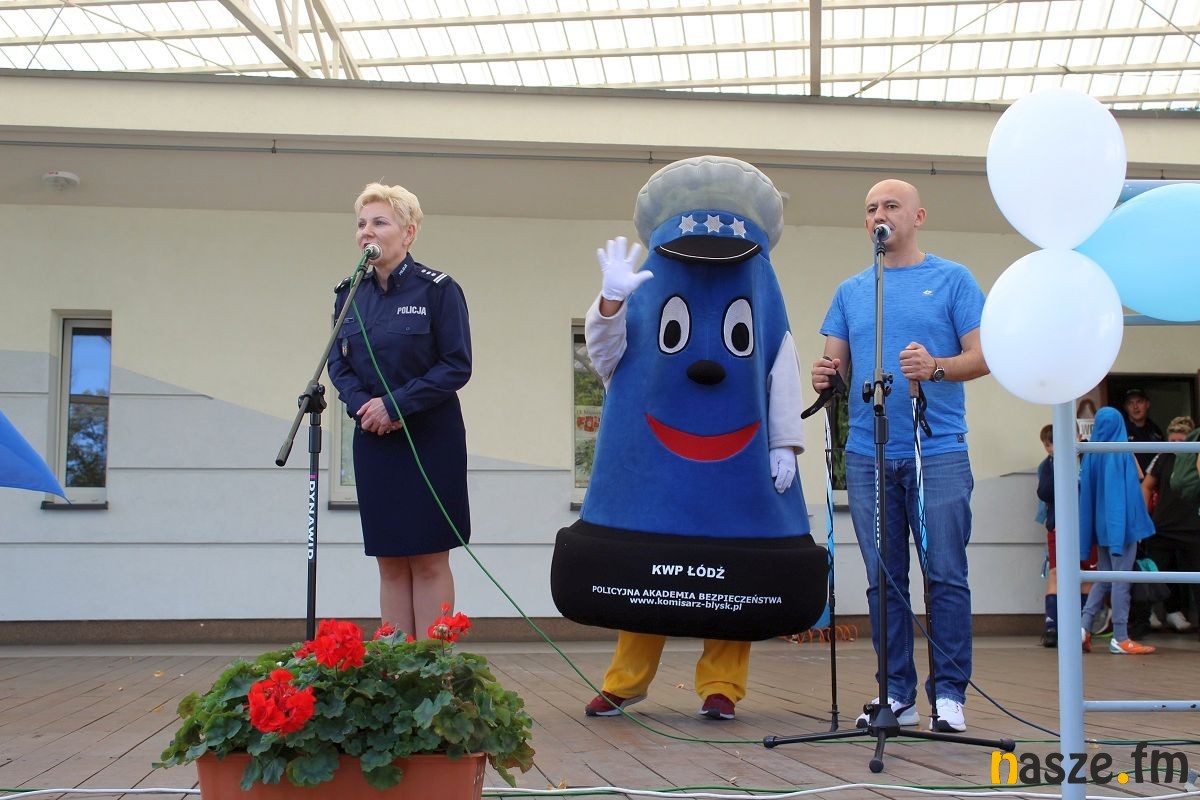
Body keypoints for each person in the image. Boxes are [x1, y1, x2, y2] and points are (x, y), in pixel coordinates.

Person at [571, 155, 816, 722]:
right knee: (646, 559)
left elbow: (778, 363)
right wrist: (610, 303)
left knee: (737, 561)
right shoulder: (647, 291)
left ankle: (722, 686)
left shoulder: (759, 290)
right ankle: (625, 681)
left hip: (737, 461)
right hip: (655, 461)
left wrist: (784, 442)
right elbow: (606, 361)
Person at [811, 179, 988, 733]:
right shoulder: (851, 290)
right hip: (868, 452)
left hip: (937, 449)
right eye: (870, 209)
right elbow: (835, 366)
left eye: (890, 206)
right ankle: (895, 693)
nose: (878, 215)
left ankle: (949, 695)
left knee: (945, 573)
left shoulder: (954, 279)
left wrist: (935, 368)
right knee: (882, 578)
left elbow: (984, 356)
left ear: (918, 216)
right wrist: (825, 376)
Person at [327, 182, 472, 639]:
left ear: (408, 233)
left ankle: (432, 667)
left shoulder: (438, 291)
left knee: (428, 558)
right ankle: (396, 667)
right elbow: (337, 364)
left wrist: (395, 405)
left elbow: (456, 365)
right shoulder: (348, 294)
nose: (366, 231)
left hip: (429, 439)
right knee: (390, 561)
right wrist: (363, 407)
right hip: (375, 441)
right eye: (361, 224)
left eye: (379, 222)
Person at [1079, 407, 1157, 655]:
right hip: (1120, 526)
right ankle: (1121, 637)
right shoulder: (1119, 452)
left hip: (1102, 526)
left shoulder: (1092, 452)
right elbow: (1126, 491)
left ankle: (1083, 628)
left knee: (1105, 577)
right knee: (1121, 578)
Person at [1036, 423, 1098, 648]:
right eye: (1049, 445)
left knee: (1087, 574)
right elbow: (1044, 492)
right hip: (1059, 526)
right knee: (1056, 572)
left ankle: (1080, 627)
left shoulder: (1088, 457)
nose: (1053, 448)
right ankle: (1052, 627)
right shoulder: (1048, 465)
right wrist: (1059, 466)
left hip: (1087, 525)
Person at [1140, 416, 1199, 634]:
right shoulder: (1162, 456)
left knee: (1197, 578)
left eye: (1180, 441)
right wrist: (1143, 517)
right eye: (1171, 440)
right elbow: (1146, 485)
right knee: (1153, 573)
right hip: (1163, 526)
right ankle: (1147, 618)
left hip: (1193, 528)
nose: (1175, 445)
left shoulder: (1196, 456)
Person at [1123, 388, 1164, 474]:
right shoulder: (1122, 431)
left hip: (1153, 480)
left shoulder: (1155, 431)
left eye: (1139, 402)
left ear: (1147, 404)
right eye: (1130, 403)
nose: (1135, 407)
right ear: (1126, 407)